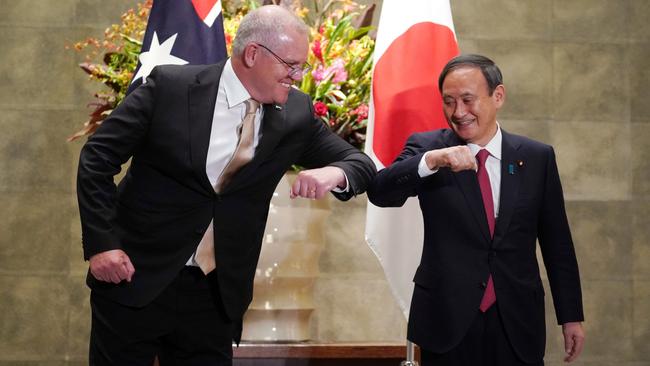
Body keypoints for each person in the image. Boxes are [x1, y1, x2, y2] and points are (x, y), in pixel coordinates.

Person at [76, 5, 375, 366]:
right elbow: (97, 159)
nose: (297, 75)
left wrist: (334, 173)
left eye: (302, 67)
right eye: (290, 65)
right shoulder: (170, 87)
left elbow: (362, 164)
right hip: (135, 276)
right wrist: (102, 245)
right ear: (253, 54)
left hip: (214, 296)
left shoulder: (296, 113)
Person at [367, 54, 585, 366]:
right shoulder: (429, 149)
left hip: (516, 319)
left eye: (468, 100)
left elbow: (557, 243)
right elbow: (380, 191)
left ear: (498, 96)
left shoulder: (537, 157)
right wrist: (432, 161)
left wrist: (571, 316)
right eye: (449, 101)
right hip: (447, 319)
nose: (458, 112)